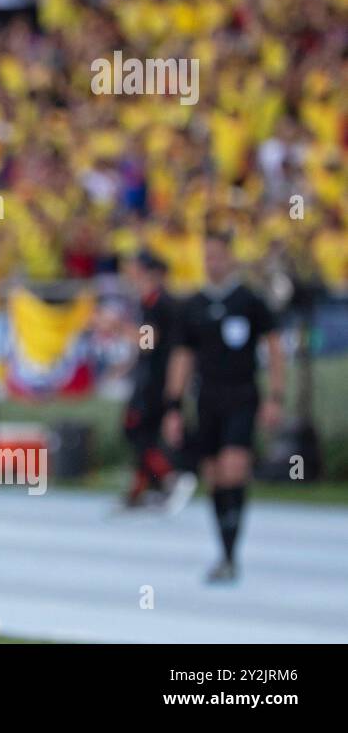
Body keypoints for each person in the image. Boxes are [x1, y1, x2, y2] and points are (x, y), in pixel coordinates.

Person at [164, 230, 286, 583]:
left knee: (235, 467)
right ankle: (225, 552)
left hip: (242, 394)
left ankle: (232, 555)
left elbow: (275, 348)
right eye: (207, 256)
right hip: (208, 398)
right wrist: (173, 405)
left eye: (217, 255)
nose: (212, 262)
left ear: (230, 257)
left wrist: (276, 396)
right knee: (215, 475)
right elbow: (182, 358)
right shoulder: (194, 306)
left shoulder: (249, 301)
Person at [120, 250, 196, 513]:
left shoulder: (156, 302)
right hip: (154, 376)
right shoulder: (154, 301)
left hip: (155, 379)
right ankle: (142, 489)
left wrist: (117, 328)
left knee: (136, 429)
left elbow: (148, 342)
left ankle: (170, 477)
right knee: (144, 432)